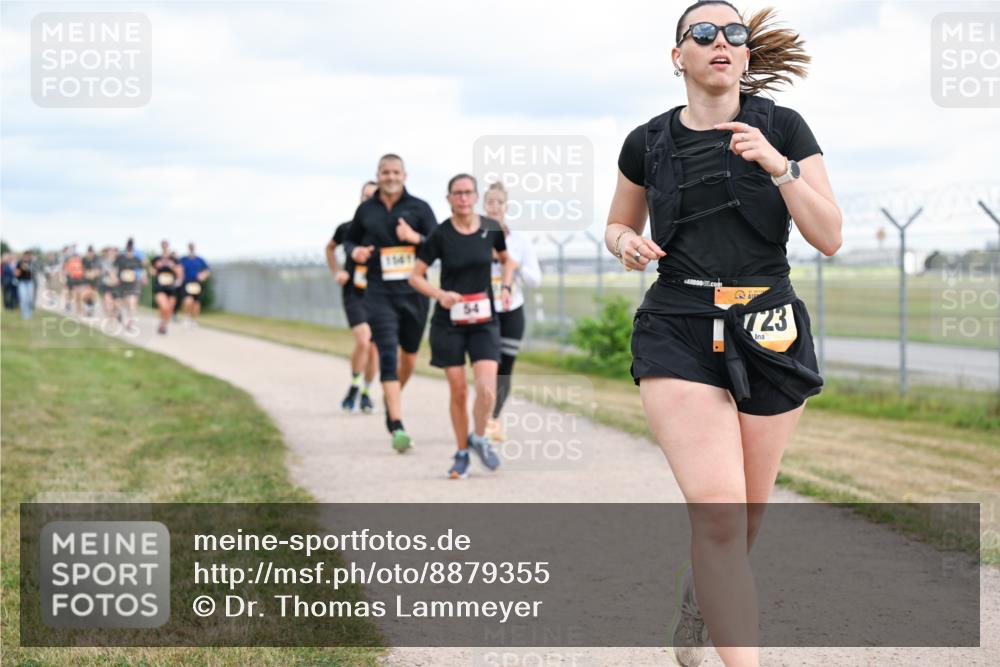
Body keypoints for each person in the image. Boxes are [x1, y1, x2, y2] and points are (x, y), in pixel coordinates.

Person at [606, 3, 841, 666]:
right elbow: (618, 224)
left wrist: (779, 166)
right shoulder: (646, 142)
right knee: (718, 514)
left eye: (734, 33)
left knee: (744, 522)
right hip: (677, 327)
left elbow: (829, 235)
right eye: (703, 33)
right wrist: (625, 243)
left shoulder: (783, 127)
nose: (721, 41)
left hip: (768, 328)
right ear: (677, 55)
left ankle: (699, 601)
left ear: (745, 54)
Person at [409, 174, 516, 479]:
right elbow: (415, 276)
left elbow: (507, 261)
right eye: (457, 193)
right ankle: (461, 453)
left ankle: (479, 438)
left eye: (468, 192)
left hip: (484, 320)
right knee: (458, 391)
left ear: (476, 197)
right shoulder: (440, 234)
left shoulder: (490, 228)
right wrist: (439, 294)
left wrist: (506, 286)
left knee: (487, 390)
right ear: (449, 199)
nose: (464, 198)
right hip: (450, 322)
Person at [343, 154, 438, 452]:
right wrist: (355, 251)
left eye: (396, 172)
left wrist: (415, 237)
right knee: (386, 353)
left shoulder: (420, 208)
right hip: (379, 294)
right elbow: (349, 240)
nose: (391, 177)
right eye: (385, 172)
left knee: (408, 359)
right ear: (378, 175)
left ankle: (390, 399)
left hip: (414, 293)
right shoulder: (366, 210)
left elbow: (438, 244)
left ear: (404, 175)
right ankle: (397, 424)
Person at [481, 181, 543, 443]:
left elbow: (535, 280)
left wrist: (513, 265)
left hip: (512, 310)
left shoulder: (519, 240)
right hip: (484, 311)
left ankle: (493, 419)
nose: (495, 207)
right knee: (487, 366)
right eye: (490, 202)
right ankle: (482, 418)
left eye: (499, 202)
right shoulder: (476, 235)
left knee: (505, 368)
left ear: (506, 206)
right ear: (484, 205)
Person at [327, 181, 379, 414]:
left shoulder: (385, 230)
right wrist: (337, 271)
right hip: (354, 293)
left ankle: (366, 392)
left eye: (373, 196)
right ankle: (355, 385)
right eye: (365, 196)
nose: (368, 200)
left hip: (379, 295)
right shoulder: (348, 228)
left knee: (374, 349)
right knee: (363, 340)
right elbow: (330, 248)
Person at [150, 241, 183, 335]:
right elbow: (151, 271)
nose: (165, 248)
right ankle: (162, 324)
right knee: (164, 306)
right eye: (163, 246)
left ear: (168, 247)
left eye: (166, 246)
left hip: (172, 287)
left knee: (169, 309)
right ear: (161, 247)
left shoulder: (174, 259)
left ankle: (164, 325)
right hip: (160, 286)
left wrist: (173, 269)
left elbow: (180, 272)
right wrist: (156, 269)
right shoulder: (156, 259)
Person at [115, 240, 145, 331]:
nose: (129, 250)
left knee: (132, 302)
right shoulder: (120, 258)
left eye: (131, 249)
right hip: (121, 284)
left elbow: (142, 270)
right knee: (120, 303)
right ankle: (119, 313)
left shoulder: (137, 259)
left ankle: (129, 323)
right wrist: (114, 278)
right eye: (128, 248)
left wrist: (142, 278)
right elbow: (114, 268)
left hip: (132, 284)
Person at [180, 243, 211, 327]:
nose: (191, 248)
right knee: (188, 301)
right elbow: (178, 267)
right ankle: (186, 317)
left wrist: (203, 275)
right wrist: (180, 276)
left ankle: (194, 320)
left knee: (196, 303)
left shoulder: (199, 259)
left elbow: (208, 270)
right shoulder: (183, 259)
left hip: (196, 283)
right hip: (187, 282)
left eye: (192, 247)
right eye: (190, 247)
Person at [98, 246, 121, 320]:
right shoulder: (103, 262)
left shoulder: (119, 261)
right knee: (107, 301)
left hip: (116, 285)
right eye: (110, 252)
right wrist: (114, 277)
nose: (111, 253)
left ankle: (116, 313)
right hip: (106, 284)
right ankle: (110, 317)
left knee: (116, 303)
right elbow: (107, 271)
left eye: (113, 252)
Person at [14, 251, 36, 319]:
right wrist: (21, 270)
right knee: (24, 298)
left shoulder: (31, 263)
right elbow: (16, 273)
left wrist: (28, 268)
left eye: (28, 256)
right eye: (26, 256)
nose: (27, 257)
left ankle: (29, 312)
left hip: (30, 282)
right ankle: (24, 313)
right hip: (22, 282)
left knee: (30, 298)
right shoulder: (19, 263)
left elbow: (34, 272)